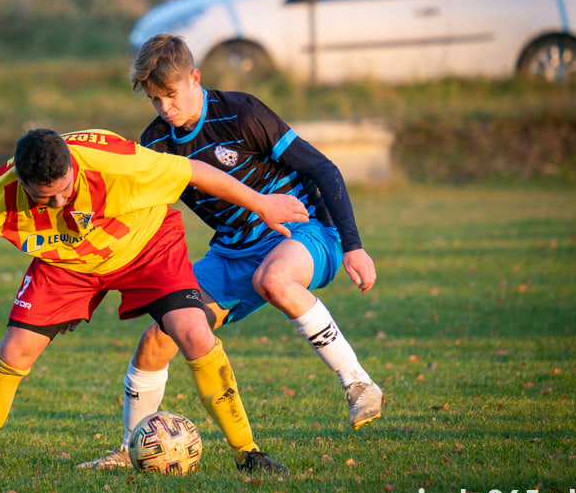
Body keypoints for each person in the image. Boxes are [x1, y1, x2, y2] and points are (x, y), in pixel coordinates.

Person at [0, 127, 309, 473]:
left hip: (144, 245)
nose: (61, 201)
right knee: (14, 350)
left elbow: (194, 170)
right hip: (67, 263)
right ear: (21, 180)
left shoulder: (117, 163)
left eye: (66, 188)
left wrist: (260, 203)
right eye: (46, 197)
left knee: (194, 332)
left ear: (71, 164)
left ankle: (248, 453)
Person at [78, 35, 382, 470]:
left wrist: (353, 246)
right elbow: (134, 217)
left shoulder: (242, 112)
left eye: (171, 95)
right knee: (158, 339)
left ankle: (358, 384)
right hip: (231, 252)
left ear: (195, 78)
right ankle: (131, 450)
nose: (165, 109)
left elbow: (321, 167)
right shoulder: (155, 144)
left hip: (304, 231)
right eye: (155, 100)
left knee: (273, 279)